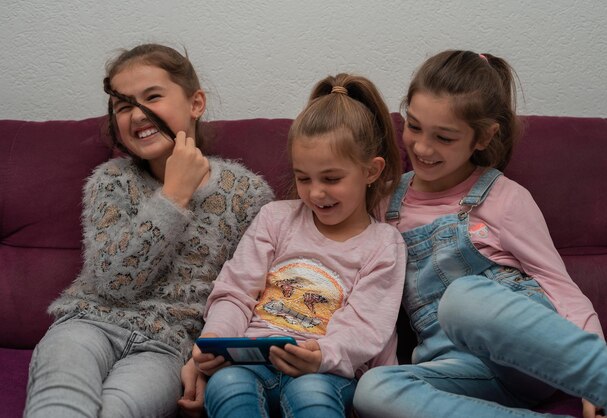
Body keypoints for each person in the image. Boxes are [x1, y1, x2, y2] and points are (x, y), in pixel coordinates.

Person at [353, 50, 607, 418]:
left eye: (444, 137)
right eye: (414, 126)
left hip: (526, 355)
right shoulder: (385, 204)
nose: (421, 147)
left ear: (483, 137)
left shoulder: (504, 198)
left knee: (462, 298)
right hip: (460, 370)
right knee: (374, 390)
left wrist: (595, 386)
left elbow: (559, 286)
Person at [24, 43, 274, 418]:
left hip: (167, 349)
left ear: (196, 104)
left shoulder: (247, 195)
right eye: (123, 106)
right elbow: (113, 283)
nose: (137, 114)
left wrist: (213, 361)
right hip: (88, 323)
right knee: (60, 398)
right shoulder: (111, 182)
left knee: (118, 410)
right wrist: (173, 195)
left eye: (153, 96)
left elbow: (252, 295)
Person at [190, 73, 407, 417]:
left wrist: (322, 355)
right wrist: (217, 338)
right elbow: (235, 291)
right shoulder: (275, 218)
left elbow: (367, 325)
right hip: (253, 358)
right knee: (227, 385)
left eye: (332, 179)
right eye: (303, 178)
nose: (316, 192)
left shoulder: (383, 243)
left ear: (371, 171)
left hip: (327, 371)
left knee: (310, 393)